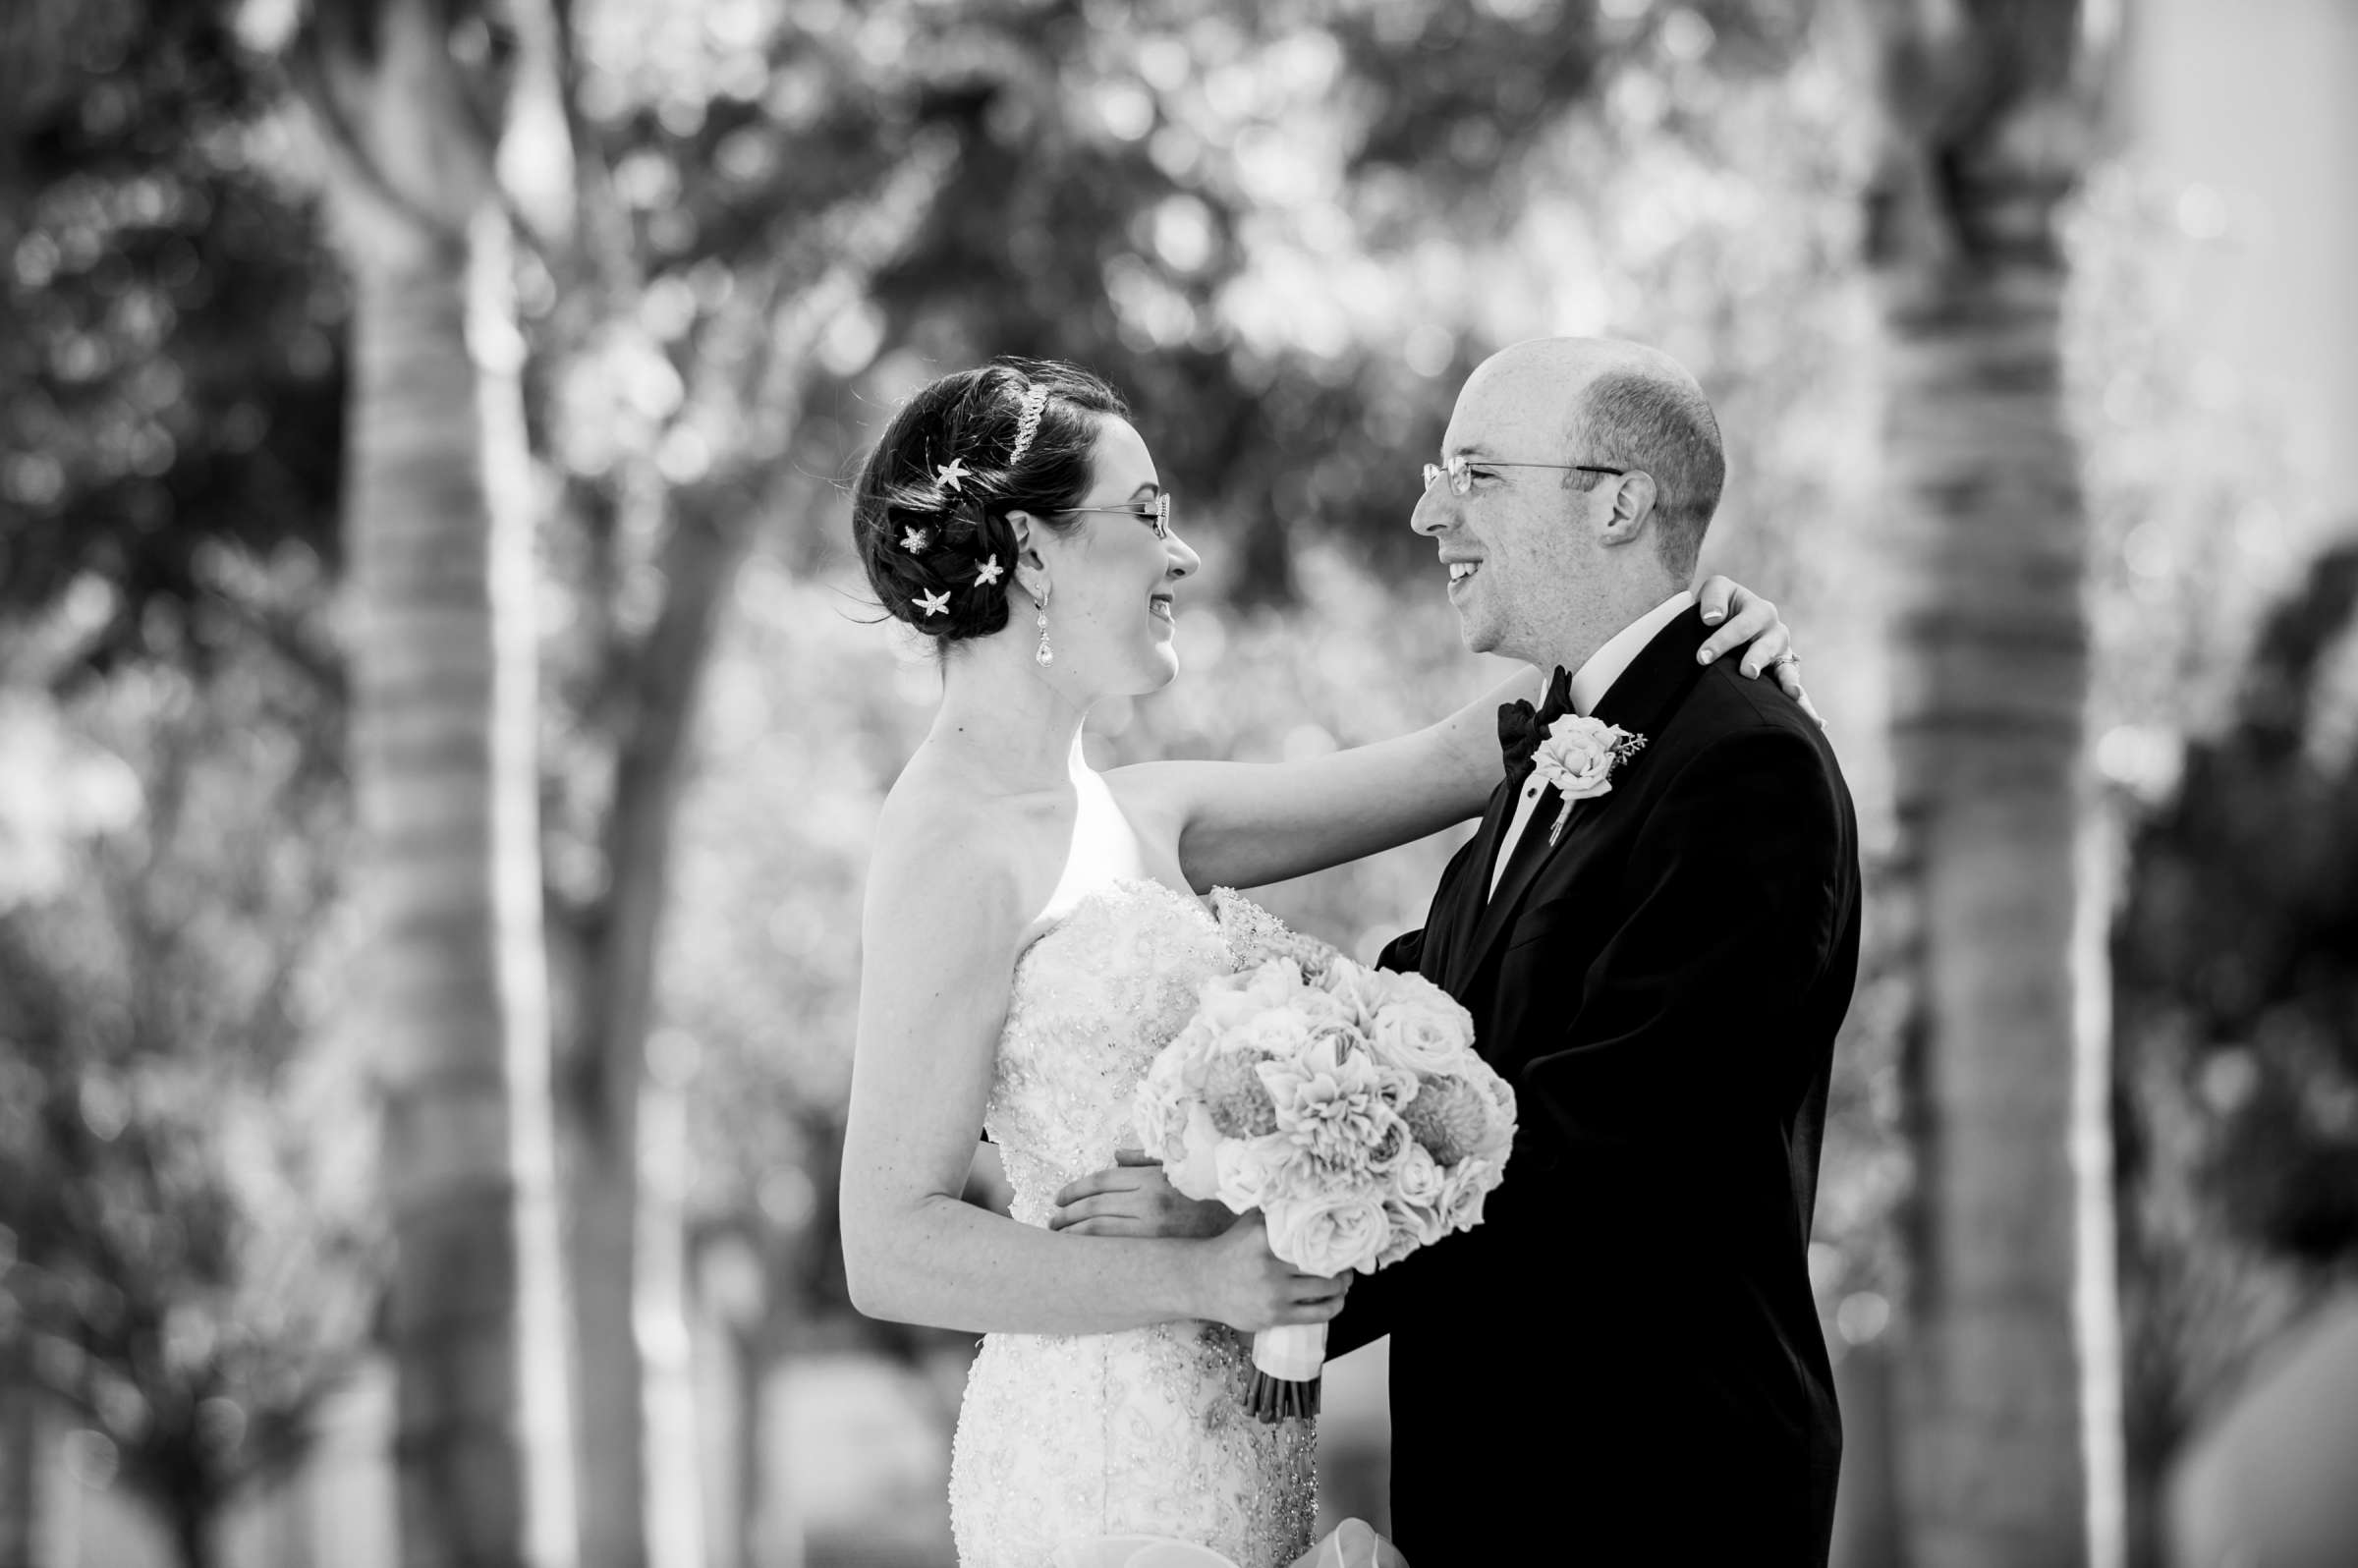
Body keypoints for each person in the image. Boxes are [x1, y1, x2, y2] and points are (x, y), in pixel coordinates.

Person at [837, 357, 1811, 1568]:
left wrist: (1703, 619)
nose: (1181, 554)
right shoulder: (946, 841)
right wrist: (1204, 1277)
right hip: (1099, 1475)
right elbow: (887, 1246)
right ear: (1033, 555)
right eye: (1144, 516)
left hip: (1237, 1453)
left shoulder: (1147, 814)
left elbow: (1533, 722)